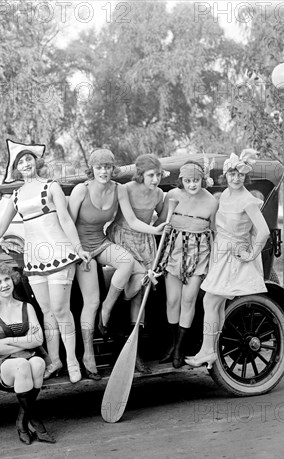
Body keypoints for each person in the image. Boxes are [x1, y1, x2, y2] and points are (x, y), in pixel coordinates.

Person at [0, 140, 91, 384]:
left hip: (59, 253)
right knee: (46, 312)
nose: (25, 163)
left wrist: (78, 249)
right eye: (20, 161)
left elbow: (66, 220)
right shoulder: (15, 196)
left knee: (60, 310)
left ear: (36, 162)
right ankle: (54, 360)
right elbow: (0, 227)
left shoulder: (51, 186)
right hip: (35, 259)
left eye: (28, 159)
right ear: (16, 168)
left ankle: (72, 361)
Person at [68, 149, 165, 379]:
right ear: (91, 168)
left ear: (113, 169)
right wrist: (76, 251)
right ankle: (88, 355)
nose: (104, 171)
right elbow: (68, 223)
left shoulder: (118, 189)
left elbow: (131, 219)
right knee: (90, 301)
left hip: (101, 243)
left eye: (108, 167)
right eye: (99, 167)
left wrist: (154, 229)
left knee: (128, 263)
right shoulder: (81, 190)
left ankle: (108, 308)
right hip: (81, 249)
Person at [185, 150, 270, 369]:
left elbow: (263, 231)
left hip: (234, 256)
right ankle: (211, 349)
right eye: (232, 174)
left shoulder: (248, 201)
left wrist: (251, 254)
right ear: (226, 175)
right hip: (220, 252)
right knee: (216, 303)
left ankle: (207, 351)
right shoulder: (224, 195)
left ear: (245, 177)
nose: (236, 178)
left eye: (240, 175)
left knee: (210, 301)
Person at [0, 263, 55, 445]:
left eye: (7, 279)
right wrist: (21, 345)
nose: (4, 285)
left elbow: (38, 340)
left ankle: (21, 422)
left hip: (27, 355)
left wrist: (6, 341)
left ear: (13, 280)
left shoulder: (27, 307)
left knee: (38, 364)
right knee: (23, 365)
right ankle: (37, 423)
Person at [154, 159, 218, 368]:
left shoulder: (211, 202)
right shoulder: (172, 196)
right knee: (172, 300)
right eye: (188, 181)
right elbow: (161, 222)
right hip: (174, 249)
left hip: (198, 252)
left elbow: (215, 231)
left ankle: (180, 350)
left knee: (188, 300)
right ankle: (172, 345)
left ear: (202, 180)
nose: (192, 185)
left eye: (196, 180)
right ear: (181, 180)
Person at [105, 154, 166, 373]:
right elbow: (130, 220)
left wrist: (161, 226)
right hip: (123, 238)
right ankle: (116, 343)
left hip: (145, 241)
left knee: (141, 294)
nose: (156, 179)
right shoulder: (126, 189)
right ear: (140, 174)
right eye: (151, 175)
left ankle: (135, 350)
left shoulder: (159, 193)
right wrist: (155, 229)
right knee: (132, 282)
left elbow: (162, 218)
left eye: (158, 175)